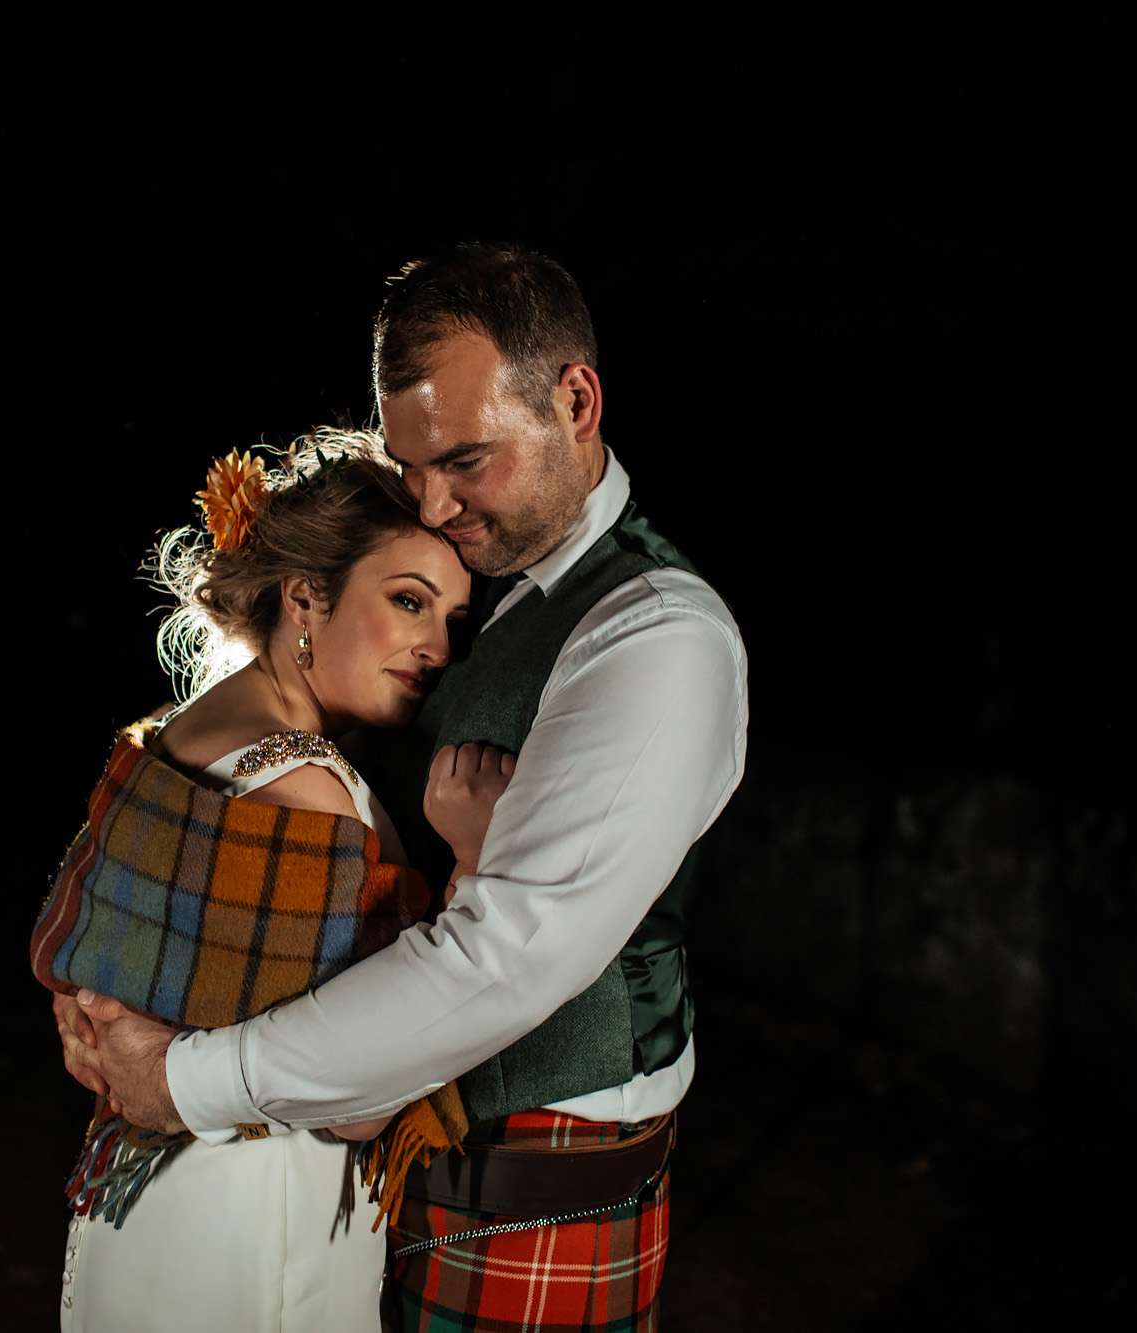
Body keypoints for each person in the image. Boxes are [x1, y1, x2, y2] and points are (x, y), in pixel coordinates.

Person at [65, 243, 750, 1330]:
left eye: (465, 461)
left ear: (574, 400)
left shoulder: (656, 637)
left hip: (528, 1197)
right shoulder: (465, 575)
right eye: (410, 464)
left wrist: (184, 1079)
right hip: (353, 1161)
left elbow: (507, 956)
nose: (430, 504)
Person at [36, 434, 512, 1331]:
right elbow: (366, 1097)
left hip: (137, 1198)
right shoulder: (307, 791)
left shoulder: (182, 731)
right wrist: (477, 866)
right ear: (306, 597)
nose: (438, 647)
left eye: (452, 619)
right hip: (258, 1223)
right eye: (408, 601)